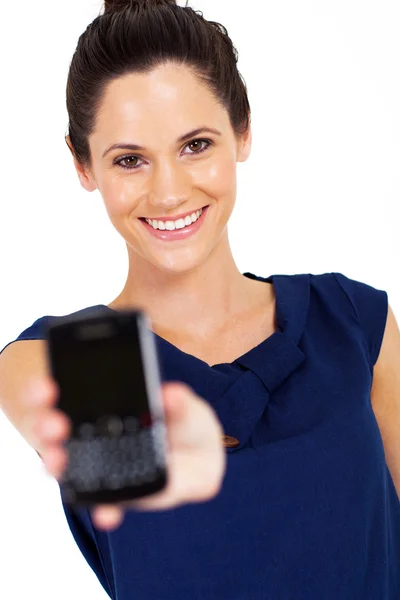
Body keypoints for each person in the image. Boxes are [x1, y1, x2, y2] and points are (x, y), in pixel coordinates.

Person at [0, 0, 399, 598]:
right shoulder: (52, 359)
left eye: (195, 145)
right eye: (130, 159)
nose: (168, 191)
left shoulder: (353, 324)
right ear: (83, 165)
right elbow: (130, 475)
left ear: (242, 132)